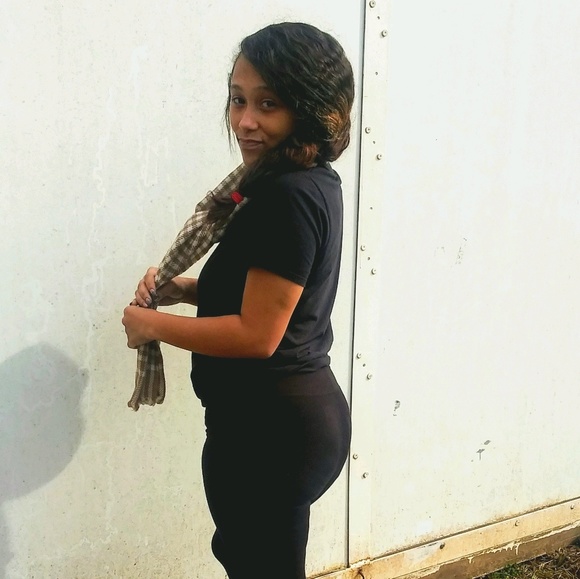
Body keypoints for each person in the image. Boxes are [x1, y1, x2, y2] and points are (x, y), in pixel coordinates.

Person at [122, 21, 354, 579]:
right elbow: (275, 299)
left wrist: (150, 326)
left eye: (268, 104)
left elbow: (257, 334)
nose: (245, 121)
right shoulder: (310, 180)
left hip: (267, 433)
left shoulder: (284, 196)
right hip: (290, 422)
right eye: (238, 99)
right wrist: (182, 290)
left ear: (310, 108)